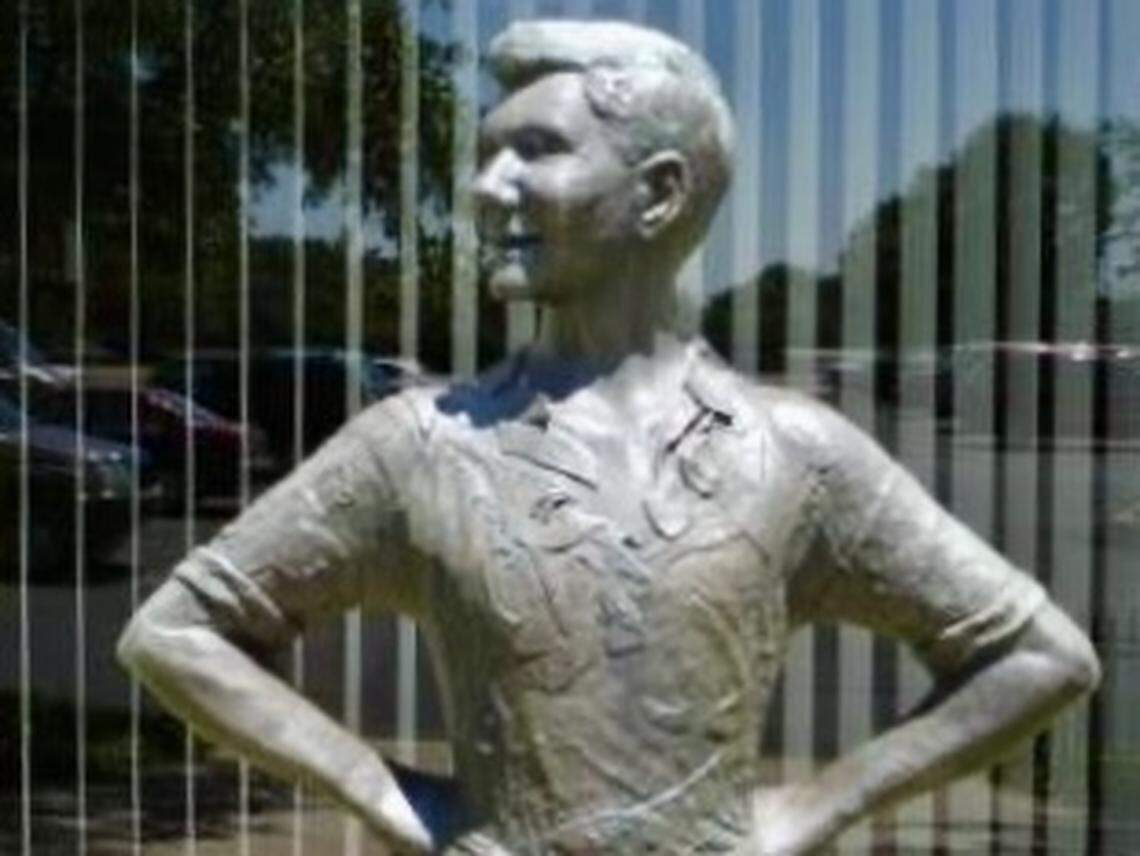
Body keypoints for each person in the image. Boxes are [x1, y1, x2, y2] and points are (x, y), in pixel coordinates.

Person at [118, 20, 1100, 855]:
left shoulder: (794, 455)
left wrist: (809, 811)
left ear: (659, 193)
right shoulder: (422, 445)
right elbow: (175, 635)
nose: (485, 188)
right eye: (484, 156)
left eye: (536, 150)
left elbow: (1039, 658)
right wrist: (389, 799)